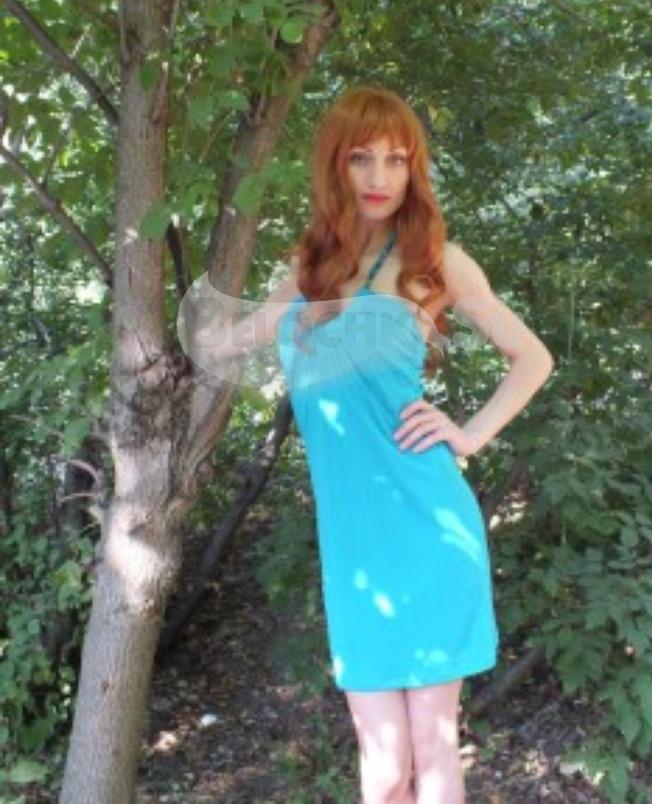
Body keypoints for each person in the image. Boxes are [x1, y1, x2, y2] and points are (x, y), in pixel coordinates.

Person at [194, 85, 554, 803]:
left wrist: (468, 435)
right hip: (355, 547)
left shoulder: (436, 262)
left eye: (397, 159)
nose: (380, 176)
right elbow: (223, 343)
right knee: (385, 770)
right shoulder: (306, 271)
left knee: (434, 746)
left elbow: (533, 358)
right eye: (362, 158)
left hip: (429, 524)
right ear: (335, 165)